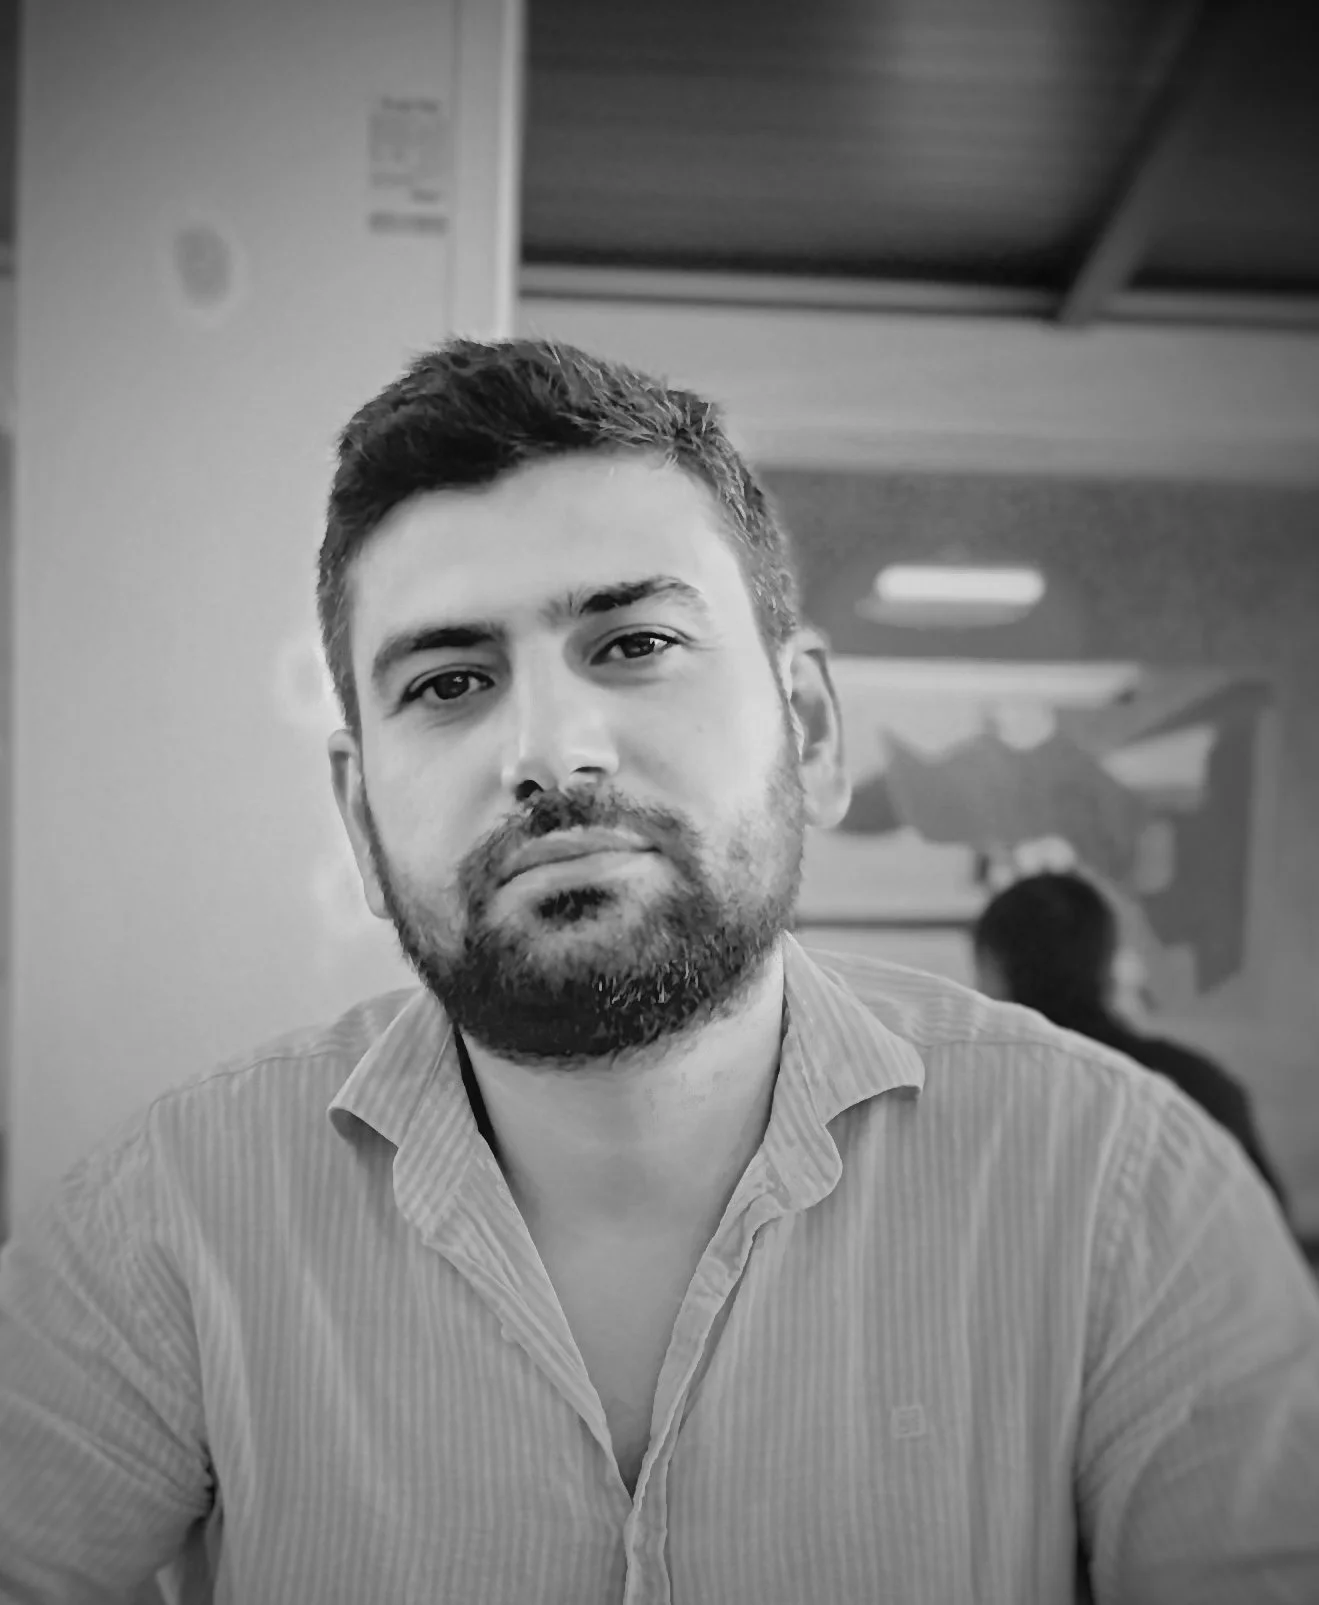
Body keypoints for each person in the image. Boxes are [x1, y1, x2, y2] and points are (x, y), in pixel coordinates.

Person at [2, 340, 1318, 1605]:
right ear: (358, 818)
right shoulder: (165, 1232)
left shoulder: (1120, 1194)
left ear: (804, 727)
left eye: (631, 645)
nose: (550, 751)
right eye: (450, 680)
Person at [971, 870, 1291, 1217]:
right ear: (1109, 967)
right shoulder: (1201, 1090)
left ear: (992, 967)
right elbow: (1269, 1243)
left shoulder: (981, 1101)